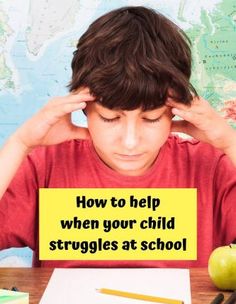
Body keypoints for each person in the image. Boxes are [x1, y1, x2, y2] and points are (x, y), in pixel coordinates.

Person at [0, 6, 235, 267]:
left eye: (152, 118)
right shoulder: (45, 166)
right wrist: (19, 144)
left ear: (177, 110)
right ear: (82, 105)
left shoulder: (211, 167)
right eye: (110, 118)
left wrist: (230, 143)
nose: (131, 142)